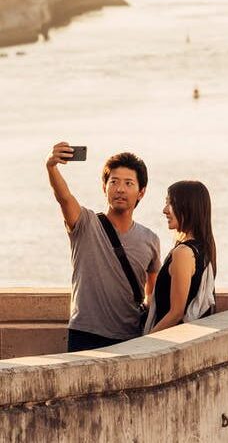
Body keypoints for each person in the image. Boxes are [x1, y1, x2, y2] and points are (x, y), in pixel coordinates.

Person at [46, 144, 160, 352]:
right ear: (104, 187)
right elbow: (64, 198)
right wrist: (51, 167)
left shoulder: (150, 240)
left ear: (141, 192)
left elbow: (151, 294)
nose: (120, 189)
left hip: (130, 337)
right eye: (114, 182)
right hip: (84, 334)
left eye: (128, 183)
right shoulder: (86, 223)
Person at [148, 180, 216, 333]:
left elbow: (176, 313)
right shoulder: (203, 248)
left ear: (188, 207)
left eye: (170, 203)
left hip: (167, 342)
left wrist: (143, 343)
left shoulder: (183, 252)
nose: (165, 210)